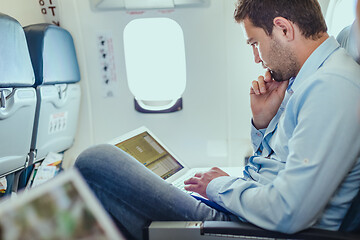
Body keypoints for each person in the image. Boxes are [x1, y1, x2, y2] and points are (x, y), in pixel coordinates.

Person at [75, 0, 360, 239]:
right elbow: (272, 168)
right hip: (249, 214)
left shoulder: (331, 87)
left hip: (260, 230)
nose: (257, 59)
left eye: (255, 43)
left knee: (96, 162)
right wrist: (262, 124)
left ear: (283, 29)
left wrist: (217, 187)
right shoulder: (306, 78)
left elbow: (289, 211)